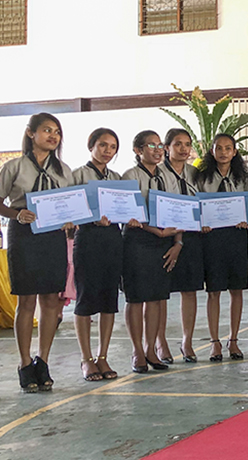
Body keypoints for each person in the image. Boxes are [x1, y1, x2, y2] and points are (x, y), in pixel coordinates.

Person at [3, 113, 74, 392]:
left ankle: (42, 360)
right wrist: (16, 214)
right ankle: (23, 363)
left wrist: (70, 220)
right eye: (47, 130)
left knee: (51, 301)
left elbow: (69, 204)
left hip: (53, 237)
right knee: (26, 301)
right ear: (31, 133)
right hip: (24, 235)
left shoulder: (63, 170)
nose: (53, 136)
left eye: (57, 132)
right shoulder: (15, 167)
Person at [72, 128, 129, 381]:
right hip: (87, 240)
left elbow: (126, 208)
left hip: (113, 239)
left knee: (109, 299)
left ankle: (103, 356)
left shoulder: (117, 178)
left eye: (113, 147)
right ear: (91, 145)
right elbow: (69, 209)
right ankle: (86, 359)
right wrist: (91, 218)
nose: (108, 151)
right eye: (103, 145)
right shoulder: (77, 175)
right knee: (85, 299)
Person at [122, 131, 180, 374]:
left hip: (164, 242)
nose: (157, 150)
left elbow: (179, 210)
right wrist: (149, 228)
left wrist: (178, 243)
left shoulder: (168, 176)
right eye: (151, 145)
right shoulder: (130, 176)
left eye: (160, 146)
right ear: (138, 150)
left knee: (157, 297)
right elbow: (124, 210)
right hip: (137, 240)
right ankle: (137, 351)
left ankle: (150, 349)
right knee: (136, 298)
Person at [194, 134, 248, 362]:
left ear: (235, 152)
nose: (224, 152)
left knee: (236, 289)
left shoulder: (243, 178)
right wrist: (202, 223)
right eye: (219, 148)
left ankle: (234, 340)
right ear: (212, 150)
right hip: (212, 238)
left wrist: (246, 218)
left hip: (236, 237)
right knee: (214, 291)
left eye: (228, 148)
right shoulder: (202, 177)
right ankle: (215, 341)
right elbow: (196, 205)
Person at [160, 128, 203, 364]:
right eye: (178, 144)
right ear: (167, 148)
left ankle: (187, 341)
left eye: (187, 144)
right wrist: (176, 240)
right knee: (161, 292)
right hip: (163, 236)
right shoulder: (159, 173)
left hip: (192, 237)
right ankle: (160, 341)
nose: (184, 149)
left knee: (189, 290)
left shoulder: (195, 173)